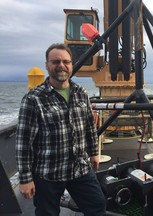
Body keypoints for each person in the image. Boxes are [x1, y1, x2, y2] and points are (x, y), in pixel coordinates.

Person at [15, 43, 106, 216]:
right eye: (56, 61)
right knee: (47, 213)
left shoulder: (81, 93)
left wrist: (94, 153)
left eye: (66, 61)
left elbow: (89, 126)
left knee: (97, 206)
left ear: (71, 65)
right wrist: (25, 178)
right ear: (47, 65)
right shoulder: (34, 99)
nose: (61, 66)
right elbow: (24, 142)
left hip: (80, 168)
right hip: (48, 173)